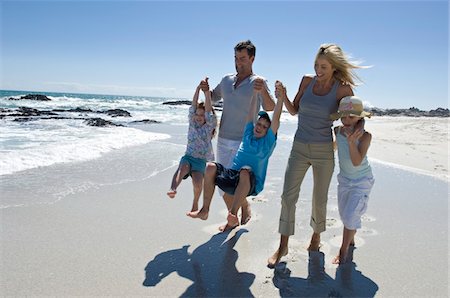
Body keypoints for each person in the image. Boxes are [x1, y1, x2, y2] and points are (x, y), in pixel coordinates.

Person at [268, 43, 368, 268]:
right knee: (287, 196)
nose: (318, 70)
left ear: (334, 67)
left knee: (319, 198)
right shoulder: (306, 80)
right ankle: (283, 244)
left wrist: (357, 135)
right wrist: (282, 96)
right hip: (299, 146)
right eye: (316, 65)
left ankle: (316, 237)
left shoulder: (342, 89)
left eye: (323, 66)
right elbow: (294, 110)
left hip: (324, 149)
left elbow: (354, 114)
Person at [188, 81, 284, 231]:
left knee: (245, 171)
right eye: (259, 124)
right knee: (210, 167)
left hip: (251, 184)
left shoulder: (268, 142)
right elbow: (251, 113)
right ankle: (205, 209)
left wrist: (281, 99)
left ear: (268, 131)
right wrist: (255, 94)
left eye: (265, 127)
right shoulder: (248, 133)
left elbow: (276, 119)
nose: (260, 127)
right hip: (233, 178)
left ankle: (232, 215)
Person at [199, 40, 275, 225]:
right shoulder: (226, 80)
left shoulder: (259, 81)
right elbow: (214, 98)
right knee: (221, 184)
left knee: (239, 182)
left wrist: (262, 90)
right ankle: (240, 209)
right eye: (236, 58)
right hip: (224, 138)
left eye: (242, 58)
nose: (238, 62)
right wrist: (205, 90)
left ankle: (234, 215)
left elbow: (270, 106)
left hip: (245, 142)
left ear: (252, 58)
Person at [329, 96, 374, 264]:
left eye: (352, 117)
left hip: (362, 180)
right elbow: (334, 147)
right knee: (344, 214)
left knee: (349, 216)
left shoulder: (366, 136)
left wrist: (351, 141)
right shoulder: (338, 131)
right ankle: (351, 235)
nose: (347, 120)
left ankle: (343, 250)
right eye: (344, 116)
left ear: (360, 118)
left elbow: (356, 162)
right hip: (344, 180)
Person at [167, 79, 217, 214]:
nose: (199, 116)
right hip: (188, 157)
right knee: (182, 169)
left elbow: (208, 111)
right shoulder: (192, 123)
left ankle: (195, 203)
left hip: (201, 161)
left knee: (197, 183)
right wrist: (197, 89)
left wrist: (206, 93)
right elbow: (193, 104)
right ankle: (173, 188)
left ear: (207, 117)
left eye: (202, 115)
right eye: (197, 114)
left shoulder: (208, 127)